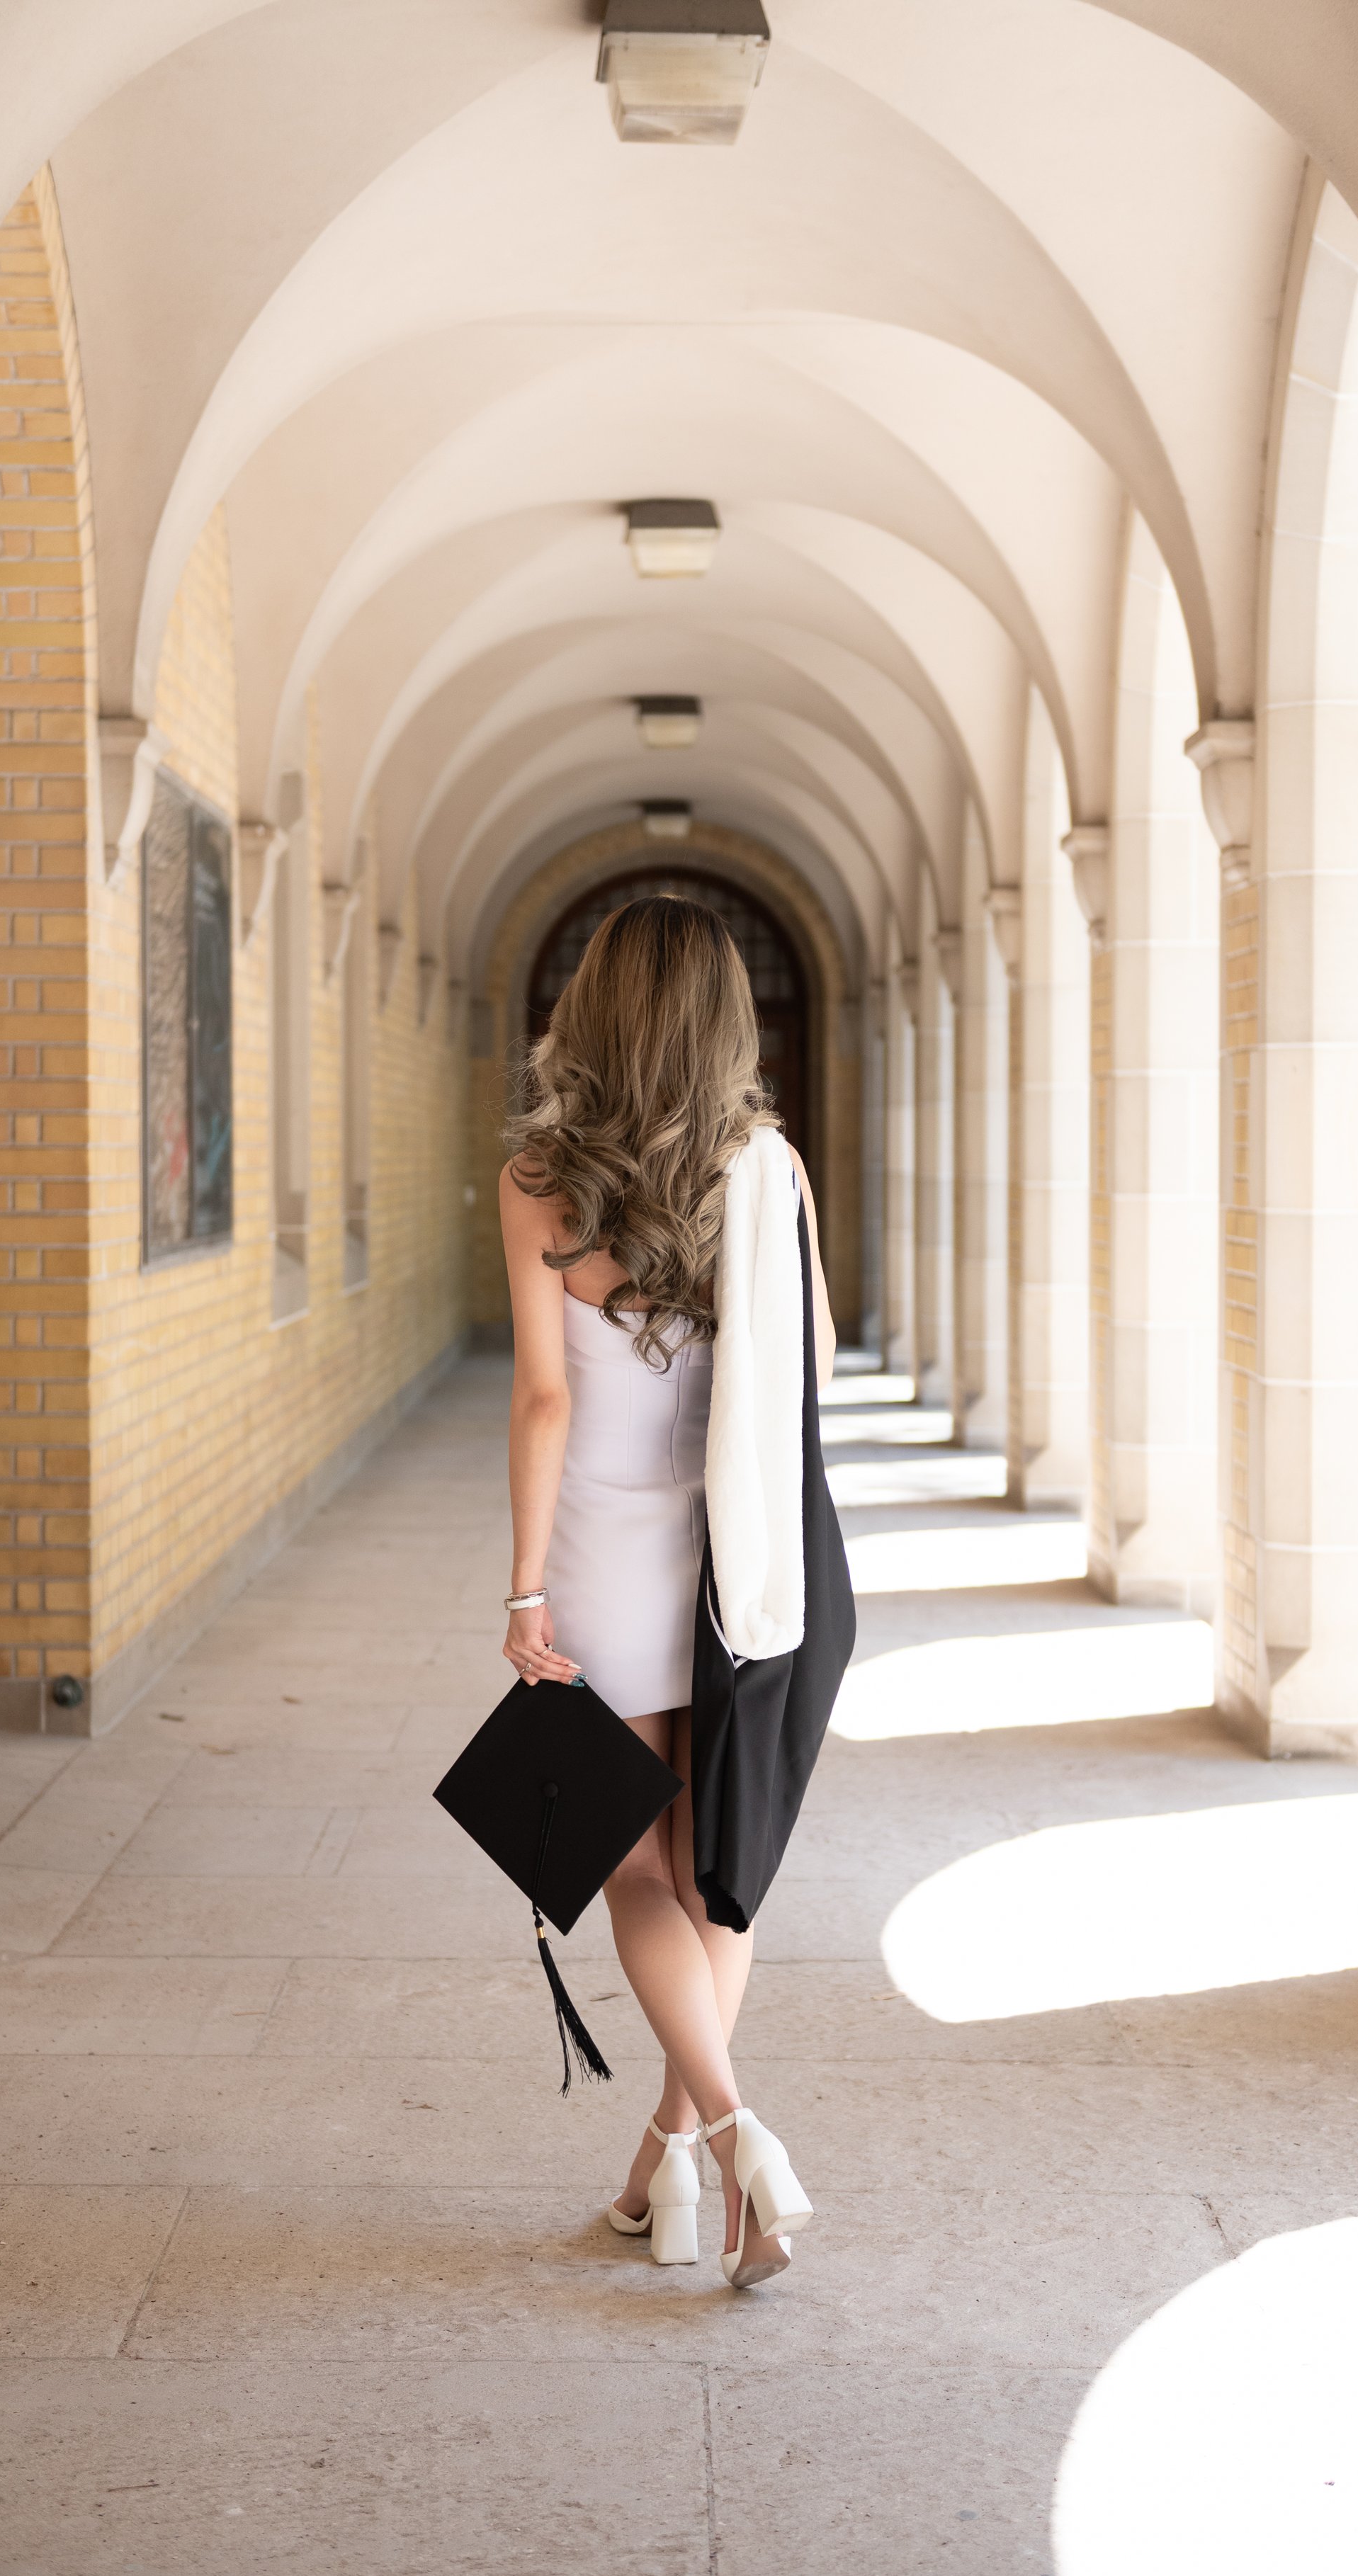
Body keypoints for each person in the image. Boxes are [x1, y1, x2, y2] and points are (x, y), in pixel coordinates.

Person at [499, 893, 837, 2288]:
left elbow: (537, 1399)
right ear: (721, 1026)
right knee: (714, 1873)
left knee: (629, 1866)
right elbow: (809, 1357)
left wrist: (522, 1594)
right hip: (734, 1565)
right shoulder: (767, 1171)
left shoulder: (538, 1182)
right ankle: (677, 2166)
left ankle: (721, 2142)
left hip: (597, 1564)